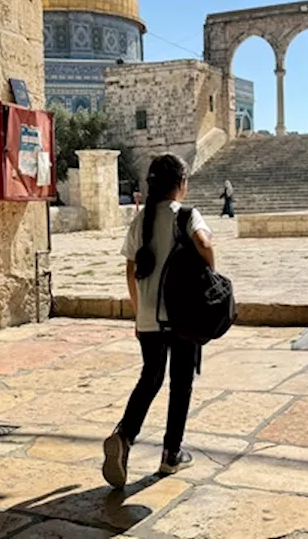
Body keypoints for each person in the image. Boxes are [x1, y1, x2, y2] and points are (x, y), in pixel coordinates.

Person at [104, 154, 214, 487]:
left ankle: (124, 436)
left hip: (149, 317)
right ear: (181, 183)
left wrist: (139, 314)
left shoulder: (141, 221)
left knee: (150, 378)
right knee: (180, 384)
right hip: (181, 317)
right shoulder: (187, 215)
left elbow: (130, 271)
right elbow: (205, 243)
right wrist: (210, 273)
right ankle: (170, 455)